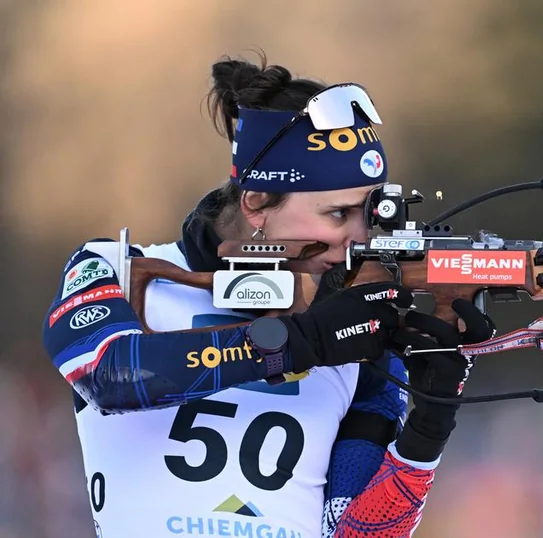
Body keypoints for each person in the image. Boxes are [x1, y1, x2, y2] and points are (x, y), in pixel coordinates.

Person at [40, 52, 495, 538]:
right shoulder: (114, 265)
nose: (361, 236)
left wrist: (427, 428)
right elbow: (111, 374)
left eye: (372, 212)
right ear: (256, 202)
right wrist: (300, 341)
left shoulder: (356, 327)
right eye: (338, 214)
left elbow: (357, 531)